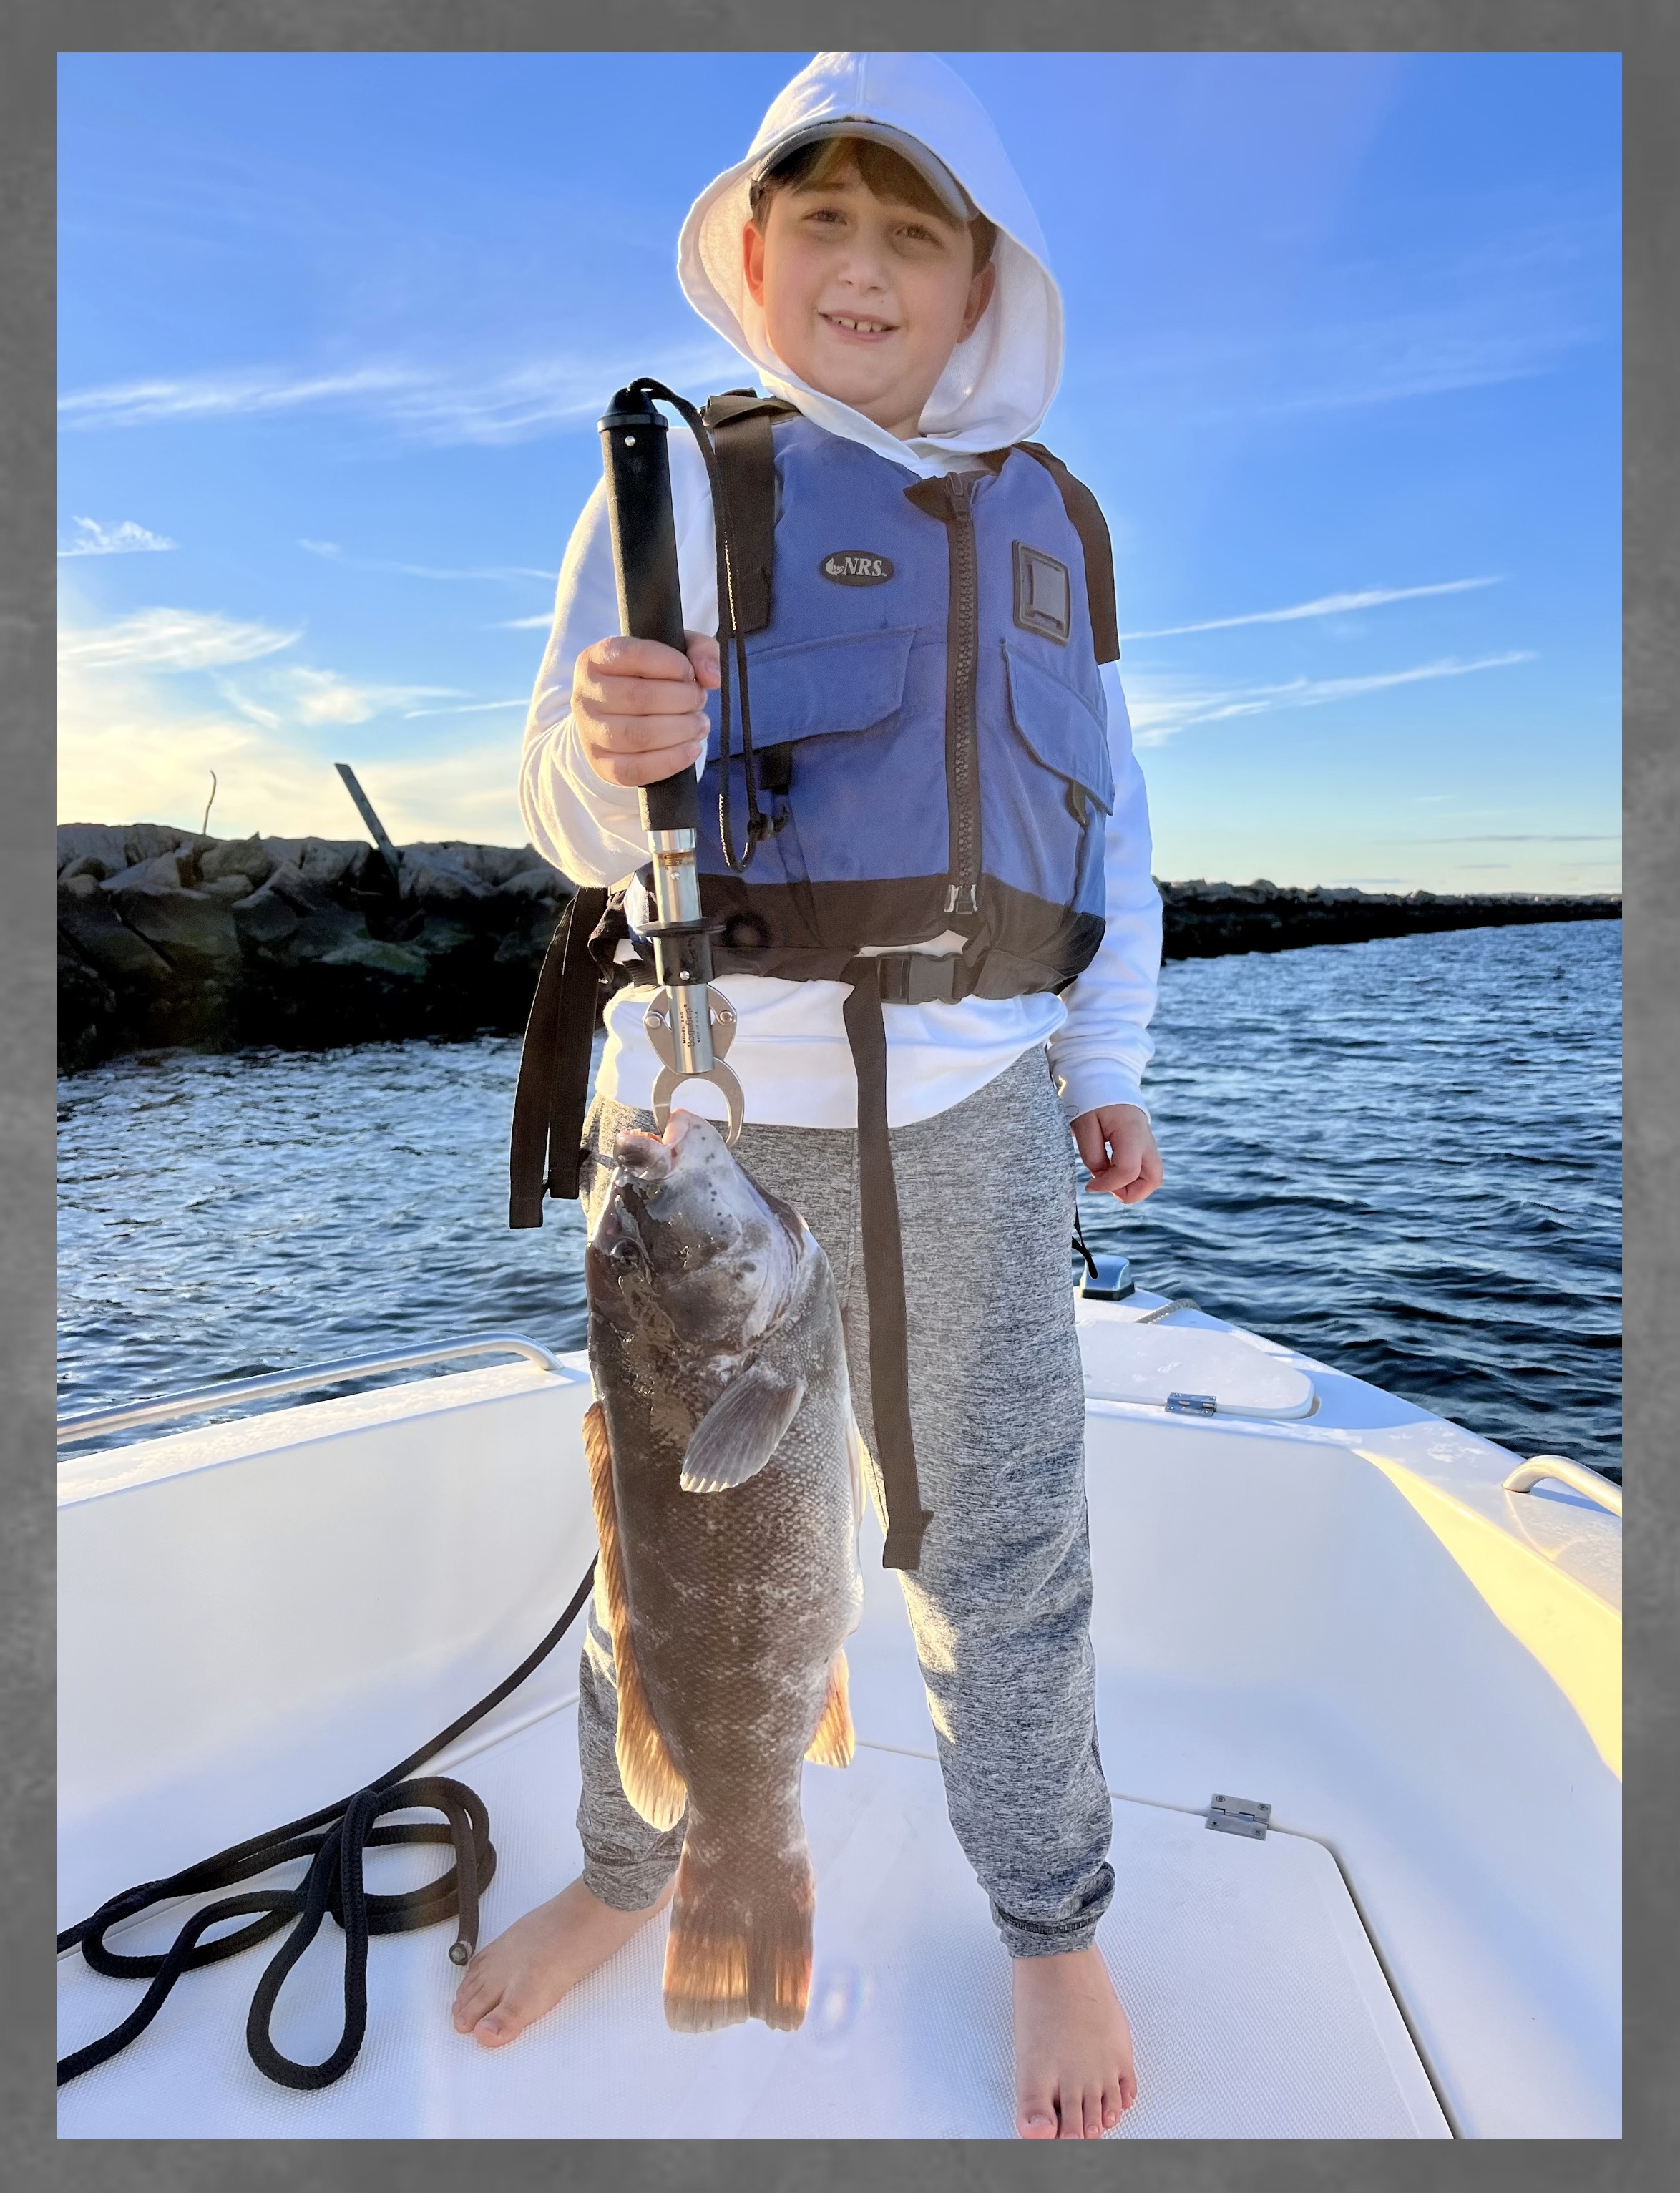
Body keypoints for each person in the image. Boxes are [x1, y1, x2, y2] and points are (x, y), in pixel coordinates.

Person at [452, 52, 1163, 2140]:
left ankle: (1049, 1920)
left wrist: (1106, 1061)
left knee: (998, 1535)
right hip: (709, 1115)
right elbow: (571, 819)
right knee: (671, 1536)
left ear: (979, 283)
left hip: (976, 1103)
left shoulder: (1060, 520)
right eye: (822, 225)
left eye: (912, 233)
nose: (862, 268)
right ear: (754, 261)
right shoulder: (672, 487)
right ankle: (632, 1863)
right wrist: (613, 744)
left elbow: (1117, 833)